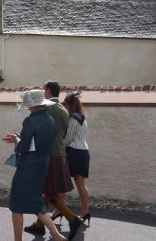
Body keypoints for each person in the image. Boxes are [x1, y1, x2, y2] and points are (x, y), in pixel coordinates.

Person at [2, 89, 67, 241]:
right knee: (36, 203)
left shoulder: (30, 120)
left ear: (32, 105)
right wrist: (21, 138)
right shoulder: (50, 120)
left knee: (16, 205)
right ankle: (57, 235)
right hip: (42, 165)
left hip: (27, 167)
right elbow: (37, 143)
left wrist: (17, 141)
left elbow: (24, 147)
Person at [24, 81, 83, 240]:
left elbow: (40, 131)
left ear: (48, 91)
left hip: (48, 154)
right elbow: (63, 134)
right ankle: (39, 226)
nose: (43, 92)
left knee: (46, 193)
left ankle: (72, 219)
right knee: (48, 193)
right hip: (60, 153)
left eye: (44, 90)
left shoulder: (46, 108)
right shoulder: (64, 109)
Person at [63, 91, 91, 225]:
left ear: (70, 105)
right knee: (81, 185)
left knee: (63, 184)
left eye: (65, 105)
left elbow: (68, 139)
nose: (65, 107)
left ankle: (59, 212)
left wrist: (57, 147)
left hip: (74, 152)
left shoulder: (73, 118)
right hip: (84, 152)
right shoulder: (83, 118)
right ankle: (85, 212)